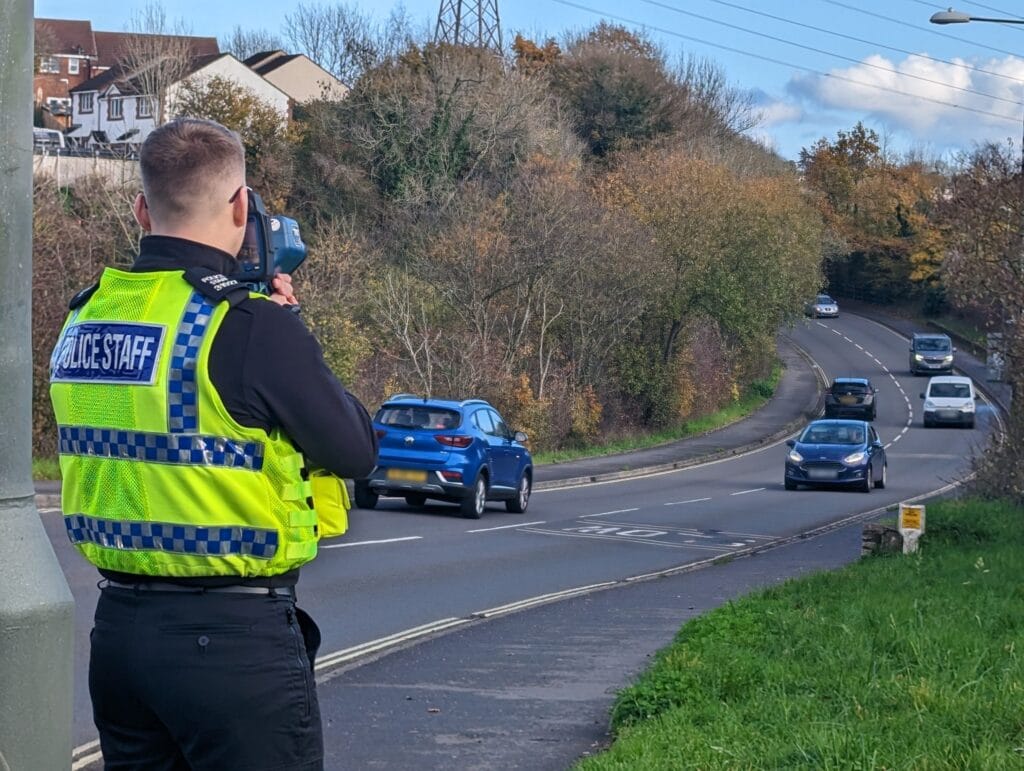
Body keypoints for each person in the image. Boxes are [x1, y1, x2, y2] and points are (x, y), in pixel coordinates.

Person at [49, 118, 378, 770]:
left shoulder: (84, 317)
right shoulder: (250, 326)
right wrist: (290, 330)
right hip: (233, 646)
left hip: (119, 637)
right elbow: (354, 451)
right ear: (241, 206)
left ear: (142, 209)